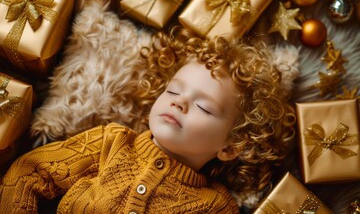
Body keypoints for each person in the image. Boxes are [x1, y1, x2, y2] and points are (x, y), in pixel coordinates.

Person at [0, 26, 295, 213]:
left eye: (204, 107)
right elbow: (29, 172)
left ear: (230, 147)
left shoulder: (215, 206)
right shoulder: (111, 142)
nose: (179, 101)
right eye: (173, 90)